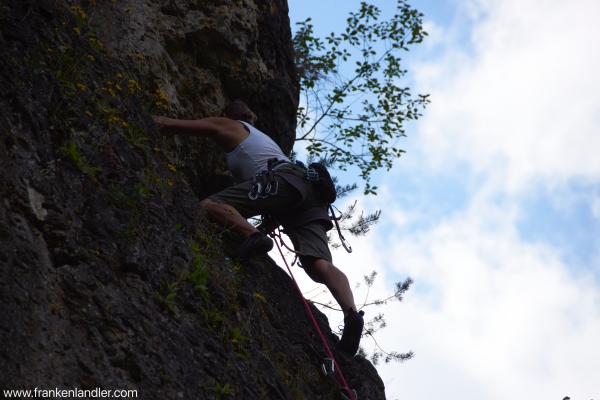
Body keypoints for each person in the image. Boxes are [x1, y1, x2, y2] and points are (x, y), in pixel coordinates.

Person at [154, 100, 364, 356]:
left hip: (283, 181)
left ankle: (251, 236)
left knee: (210, 204)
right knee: (318, 264)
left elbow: (172, 125)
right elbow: (278, 199)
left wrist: (145, 119)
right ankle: (351, 314)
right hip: (307, 192)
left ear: (224, 115)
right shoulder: (264, 140)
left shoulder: (228, 125)